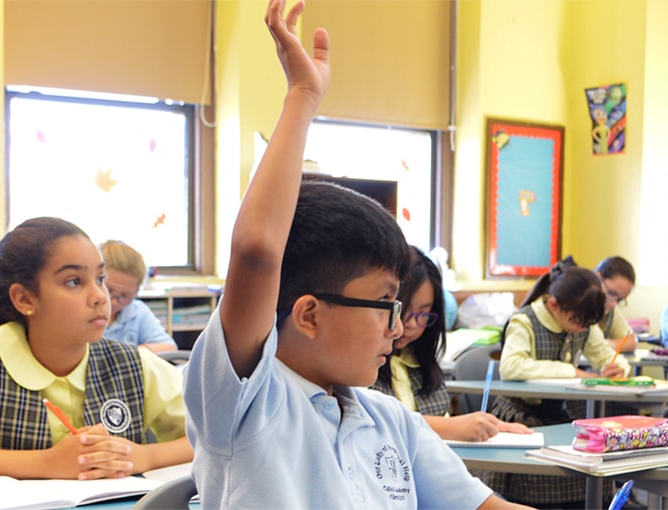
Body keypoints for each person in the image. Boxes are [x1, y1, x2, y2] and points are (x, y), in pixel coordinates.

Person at [182, 2, 530, 508]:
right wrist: (303, 95)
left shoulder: (391, 420)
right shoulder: (244, 402)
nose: (397, 327)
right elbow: (257, 250)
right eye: (386, 302)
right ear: (309, 314)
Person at [0, 217, 192, 483]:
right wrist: (47, 463)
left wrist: (143, 456)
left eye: (101, 279)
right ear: (24, 298)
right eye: (73, 282)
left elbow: (215, 433)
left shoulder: (132, 362)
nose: (99, 296)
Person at [486, 260, 631, 507]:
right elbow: (510, 367)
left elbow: (606, 357)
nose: (582, 329)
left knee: (592, 467)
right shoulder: (525, 321)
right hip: (521, 416)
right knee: (541, 484)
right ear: (553, 305)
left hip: (560, 414)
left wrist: (617, 369)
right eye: (578, 322)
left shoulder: (582, 323)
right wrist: (573, 371)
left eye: (587, 324)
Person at [371, 246, 531, 442]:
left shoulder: (419, 360)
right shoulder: (363, 366)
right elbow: (375, 423)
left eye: (423, 314)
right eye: (404, 311)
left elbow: (442, 419)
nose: (411, 324)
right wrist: (452, 427)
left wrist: (485, 427)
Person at [100, 240, 178, 353]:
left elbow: (170, 348)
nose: (114, 301)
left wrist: (127, 353)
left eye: (125, 295)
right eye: (108, 290)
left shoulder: (137, 311)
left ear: (136, 293)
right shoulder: (83, 311)